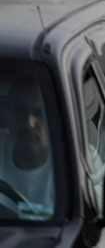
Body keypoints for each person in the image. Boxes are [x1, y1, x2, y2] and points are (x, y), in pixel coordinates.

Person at [1, 74, 55, 216]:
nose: (28, 123)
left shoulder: (77, 161)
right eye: (20, 111)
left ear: (52, 117)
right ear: (8, 113)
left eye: (39, 113)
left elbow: (88, 225)